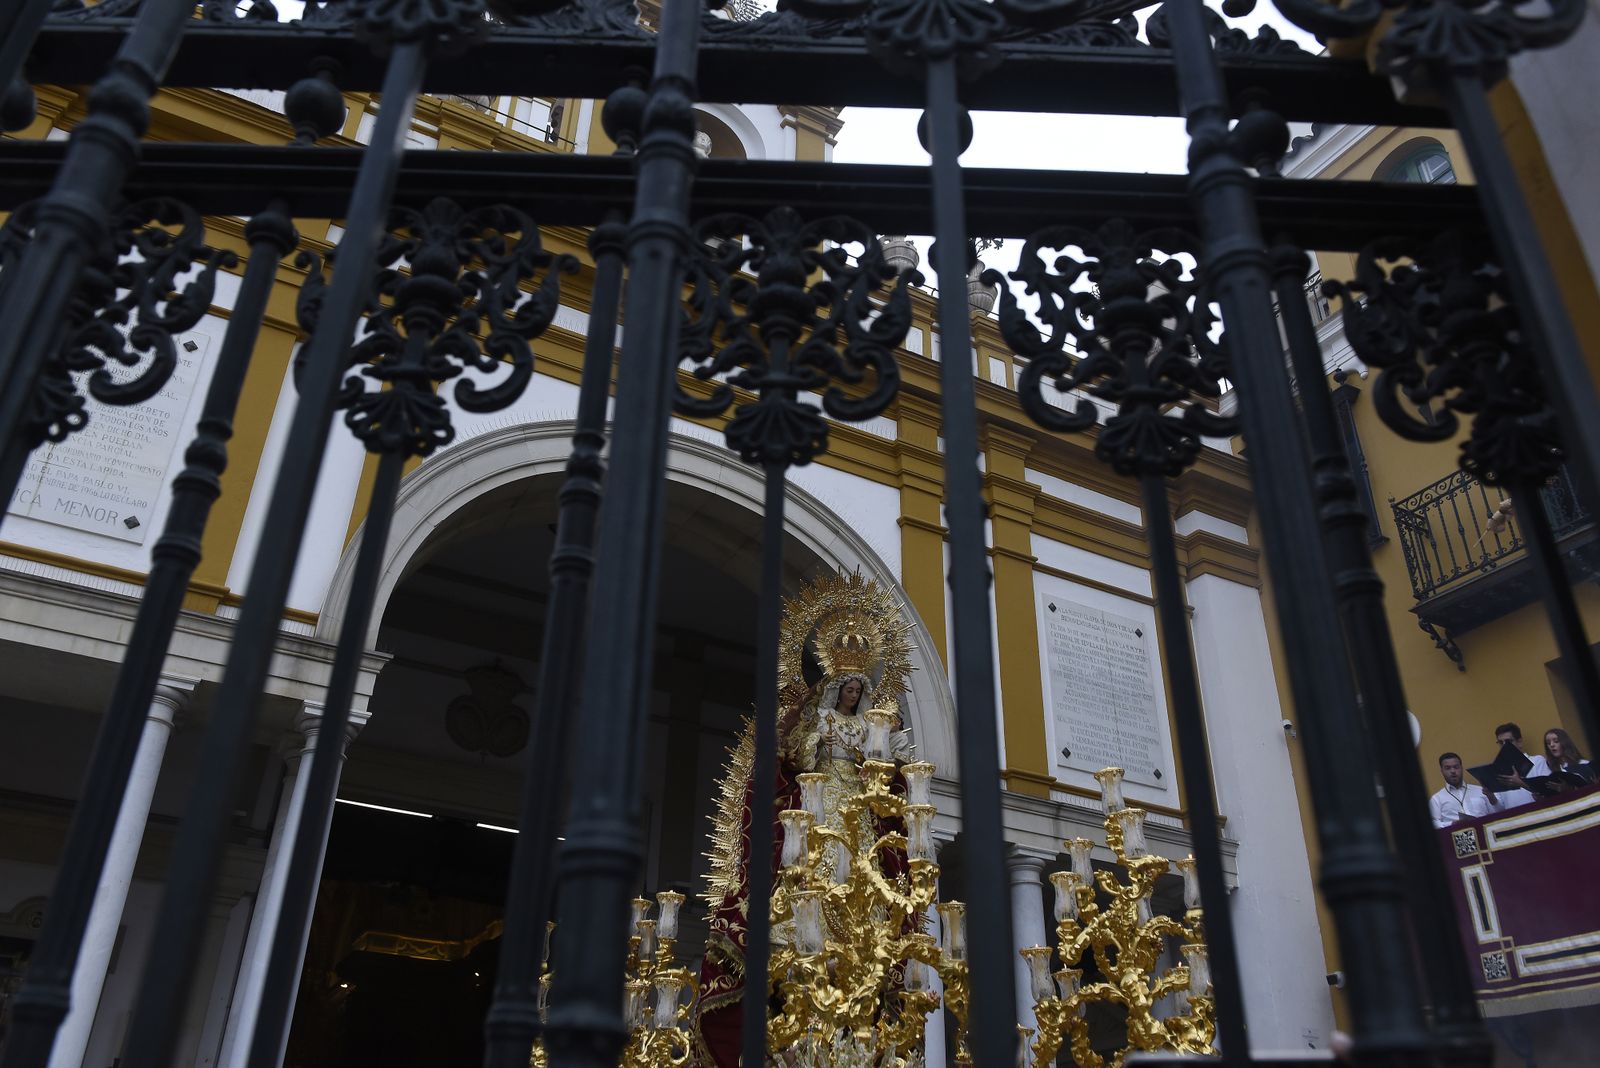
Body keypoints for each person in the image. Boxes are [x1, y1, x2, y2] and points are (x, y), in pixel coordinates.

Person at [1485, 722, 1550, 811]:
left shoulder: (1537, 761)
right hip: (1514, 822)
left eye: (1508, 741)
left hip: (1539, 816)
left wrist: (1520, 783)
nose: (1504, 745)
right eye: (1500, 742)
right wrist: (1491, 797)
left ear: (1519, 742)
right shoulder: (1499, 770)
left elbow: (1549, 792)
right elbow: (1500, 809)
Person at [1430, 752, 1492, 828]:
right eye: (1447, 768)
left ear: (1461, 768)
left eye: (1456, 767)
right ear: (1442, 771)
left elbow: (1496, 812)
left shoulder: (1481, 791)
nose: (1453, 771)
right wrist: (1451, 824)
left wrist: (1492, 797)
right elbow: (1433, 823)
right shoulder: (1436, 799)